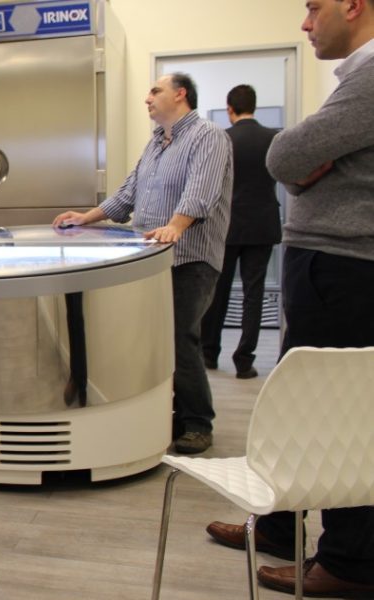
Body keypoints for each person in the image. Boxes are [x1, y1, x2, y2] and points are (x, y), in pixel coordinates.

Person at [205, 1, 374, 596]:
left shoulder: (372, 75)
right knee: (303, 403)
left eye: (313, 8)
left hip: (348, 266)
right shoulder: (354, 81)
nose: (306, 24)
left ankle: (349, 563)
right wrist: (304, 166)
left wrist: (302, 166)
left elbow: (284, 156)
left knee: (340, 415)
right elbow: (294, 161)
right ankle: (280, 522)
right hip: (323, 259)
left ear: (353, 6)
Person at [52, 73, 232, 455]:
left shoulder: (208, 137)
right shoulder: (154, 144)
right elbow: (128, 194)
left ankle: (198, 423)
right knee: (152, 340)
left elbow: (202, 191)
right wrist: (87, 217)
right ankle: (166, 414)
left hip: (191, 258)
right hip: (149, 262)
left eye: (155, 91)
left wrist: (175, 226)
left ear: (180, 94)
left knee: (180, 337)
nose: (146, 98)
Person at [200, 85, 281, 380]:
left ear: (229, 109)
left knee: (217, 291)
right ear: (254, 107)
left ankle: (209, 353)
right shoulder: (274, 138)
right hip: (262, 225)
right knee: (253, 293)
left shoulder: (222, 139)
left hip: (228, 226)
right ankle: (244, 361)